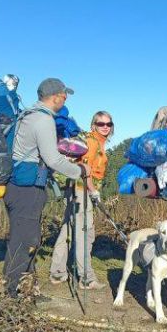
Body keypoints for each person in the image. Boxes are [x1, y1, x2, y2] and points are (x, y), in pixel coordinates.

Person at [4, 78, 90, 299]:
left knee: (24, 239)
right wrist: (79, 170)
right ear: (56, 97)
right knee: (25, 242)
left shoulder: (27, 114)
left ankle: (27, 290)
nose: (66, 98)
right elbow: (52, 159)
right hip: (27, 190)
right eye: (64, 95)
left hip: (16, 187)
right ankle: (13, 294)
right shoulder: (43, 120)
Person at [49, 111, 113, 289]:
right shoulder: (92, 142)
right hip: (81, 191)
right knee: (86, 233)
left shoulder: (97, 142)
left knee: (67, 230)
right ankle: (86, 278)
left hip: (75, 190)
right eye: (101, 124)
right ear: (94, 125)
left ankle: (57, 272)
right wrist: (93, 191)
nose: (105, 127)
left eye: (108, 124)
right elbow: (85, 170)